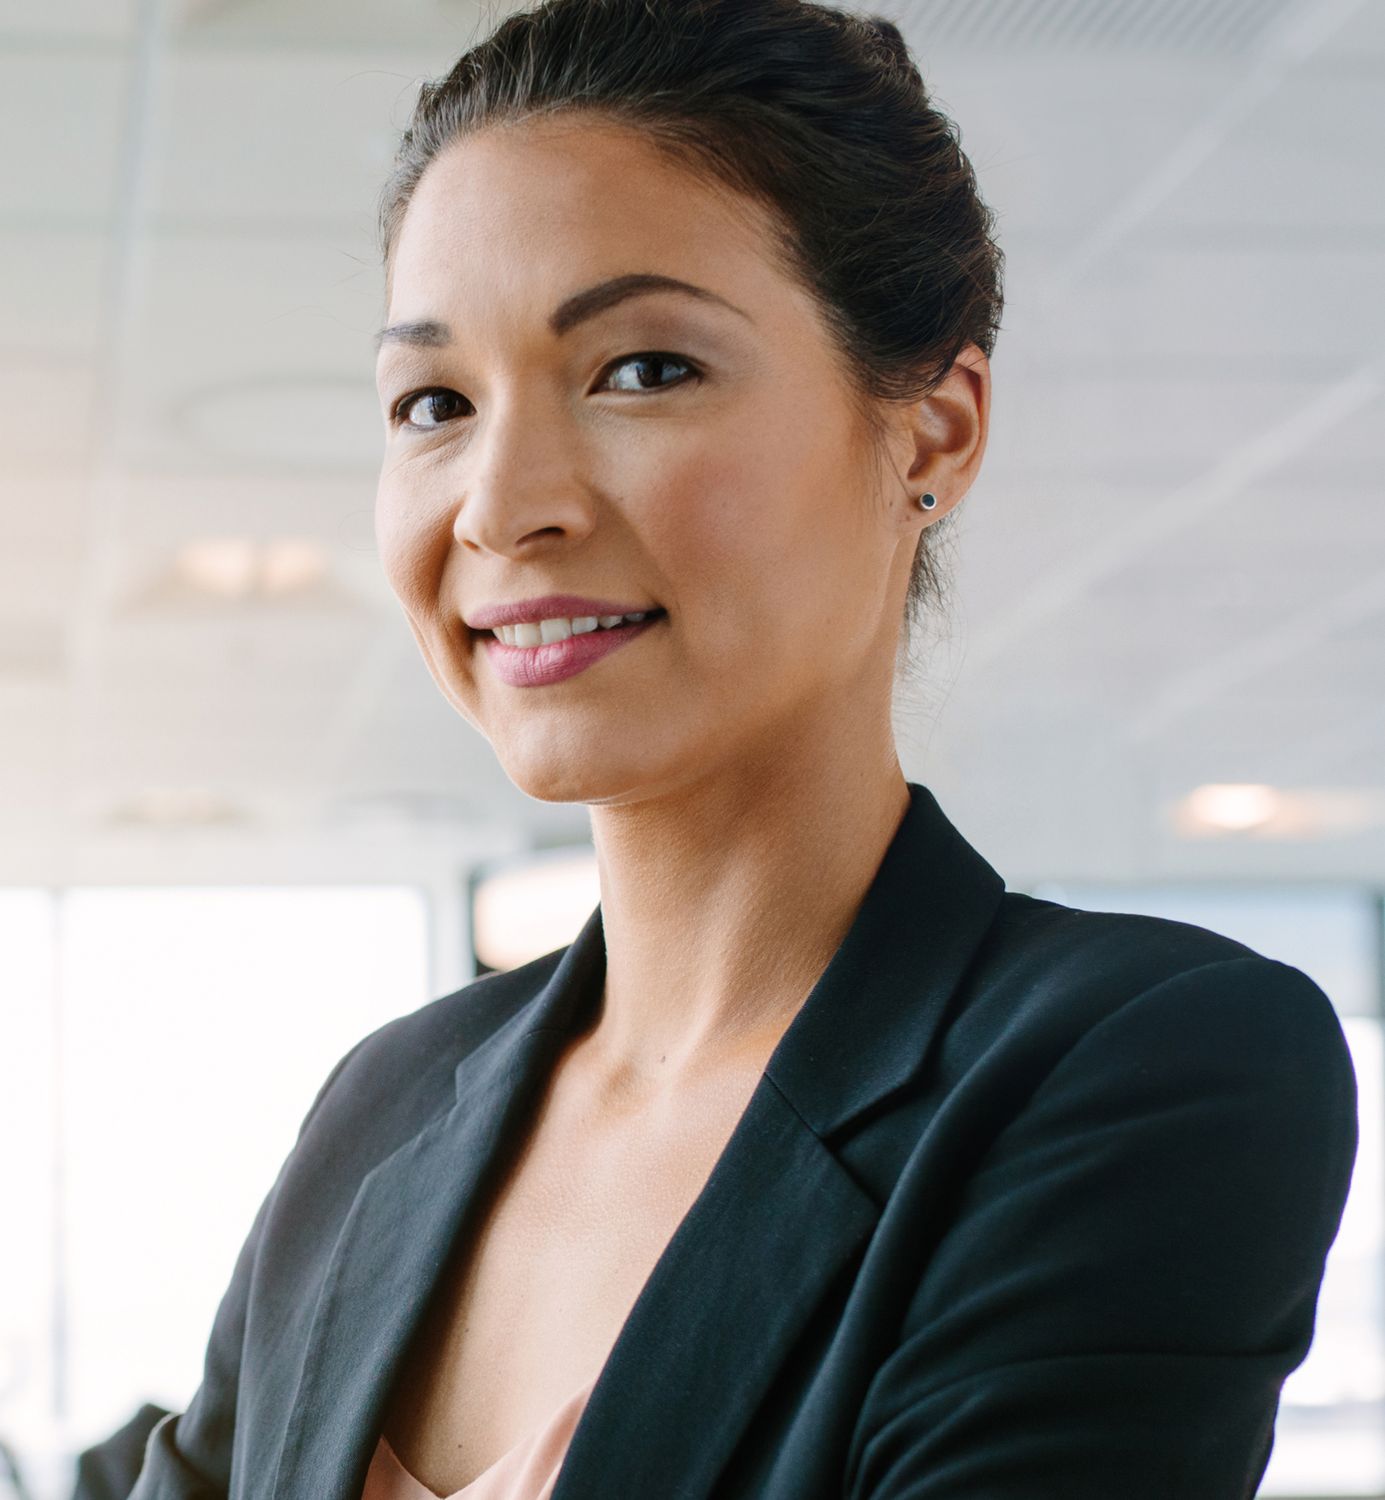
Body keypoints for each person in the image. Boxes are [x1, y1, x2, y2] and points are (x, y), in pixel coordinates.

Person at [127, 2, 1358, 1497]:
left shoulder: (1140, 1068)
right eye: (434, 403)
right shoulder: (383, 1110)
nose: (503, 503)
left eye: (642, 370)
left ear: (930, 431)